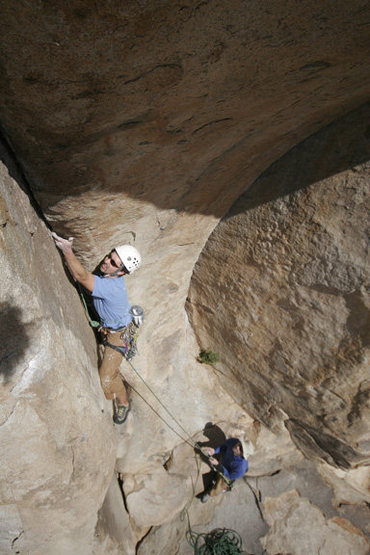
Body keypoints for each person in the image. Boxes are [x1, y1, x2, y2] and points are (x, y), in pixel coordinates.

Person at [51, 232, 141, 425]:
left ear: (122, 272)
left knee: (107, 376)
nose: (106, 261)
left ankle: (123, 402)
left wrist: (67, 250)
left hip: (119, 334)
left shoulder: (112, 288)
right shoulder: (108, 275)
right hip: (115, 326)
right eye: (110, 255)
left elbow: (81, 276)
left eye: (114, 263)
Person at [201, 437, 248, 503]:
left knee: (218, 487)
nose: (237, 447)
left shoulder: (241, 468)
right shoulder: (234, 441)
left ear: (242, 455)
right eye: (240, 445)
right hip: (223, 461)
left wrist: (218, 465)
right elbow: (223, 446)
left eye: (241, 449)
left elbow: (229, 476)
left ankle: (210, 494)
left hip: (227, 473)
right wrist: (214, 451)